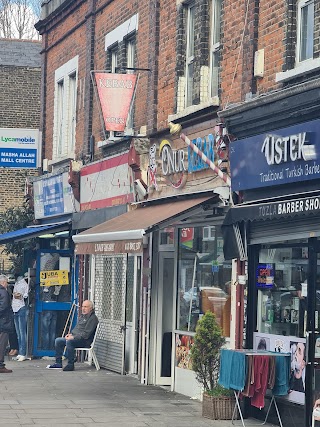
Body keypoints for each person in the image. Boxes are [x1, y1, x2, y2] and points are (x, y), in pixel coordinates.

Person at [47, 300, 98, 371]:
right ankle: (58, 363)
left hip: (84, 341)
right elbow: (77, 329)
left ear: (91, 308)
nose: (83, 308)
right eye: (82, 306)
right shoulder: (83, 316)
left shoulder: (93, 319)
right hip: (76, 338)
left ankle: (70, 364)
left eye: (85, 307)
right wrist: (71, 334)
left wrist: (73, 337)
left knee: (69, 342)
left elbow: (86, 334)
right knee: (58, 341)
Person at [12, 274, 29, 361]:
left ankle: (23, 353)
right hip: (15, 308)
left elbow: (26, 295)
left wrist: (21, 295)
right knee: (19, 333)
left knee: (22, 332)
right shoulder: (17, 283)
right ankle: (20, 352)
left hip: (21, 308)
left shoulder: (24, 284)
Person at [0, 274, 14, 373]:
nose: (7, 284)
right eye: (6, 282)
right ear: (3, 282)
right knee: (2, 343)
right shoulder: (3, 292)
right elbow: (4, 306)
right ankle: (0, 365)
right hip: (3, 321)